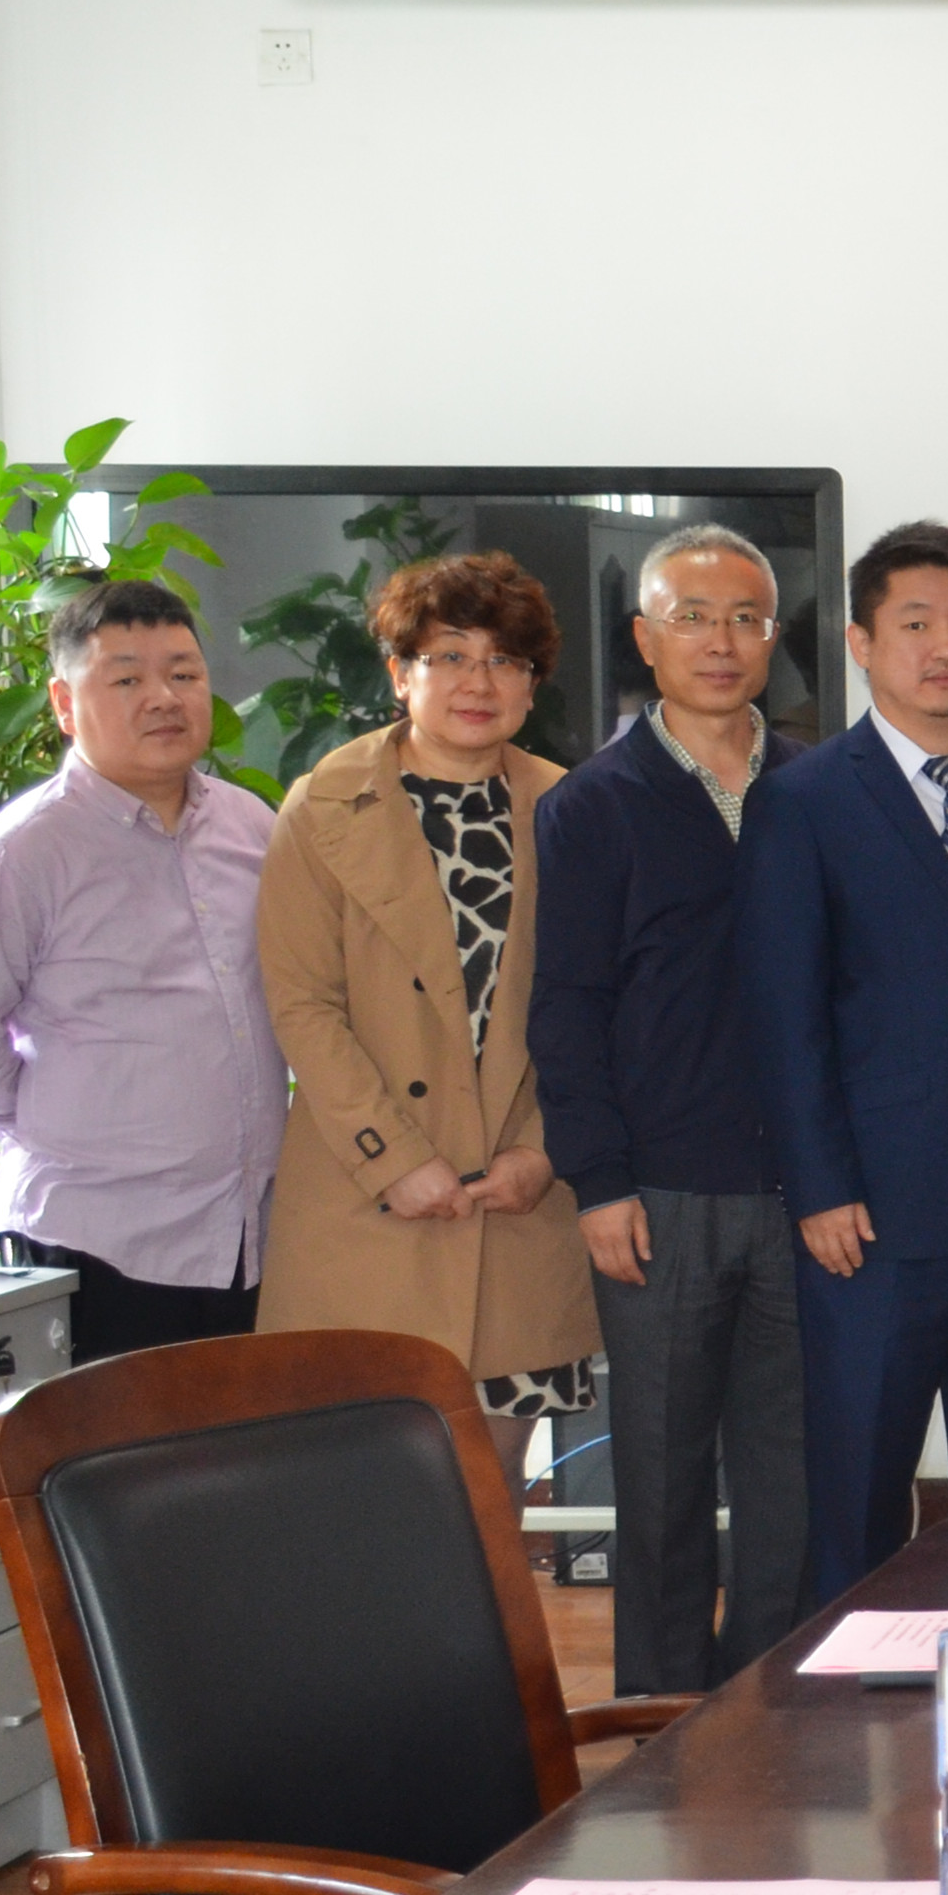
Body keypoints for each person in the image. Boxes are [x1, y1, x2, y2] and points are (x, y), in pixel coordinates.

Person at [742, 522, 948, 1604]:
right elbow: (785, 1013)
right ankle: (850, 1695)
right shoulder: (803, 800)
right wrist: (819, 1186)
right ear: (862, 642)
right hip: (873, 1221)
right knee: (859, 1496)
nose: (946, 647)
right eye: (918, 623)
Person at [252, 552, 602, 1490]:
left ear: (533, 683)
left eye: (505, 660)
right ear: (400, 672)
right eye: (449, 655)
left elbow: (602, 1007)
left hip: (517, 1207)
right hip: (369, 1205)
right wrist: (394, 1157)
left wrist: (545, 1150)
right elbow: (303, 1003)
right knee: (362, 1502)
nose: (478, 682)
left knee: (490, 1500)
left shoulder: (575, 806)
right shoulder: (323, 804)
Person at [532, 523, 810, 1694]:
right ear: (646, 639)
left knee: (794, 1479)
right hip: (657, 1196)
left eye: (746, 618)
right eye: (692, 617)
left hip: (804, 1193)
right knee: (658, 1478)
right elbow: (567, 1008)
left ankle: (774, 1708)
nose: (721, 641)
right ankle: (662, 1719)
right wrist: (598, 1183)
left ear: (773, 639)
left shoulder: (819, 786)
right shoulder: (595, 803)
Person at [0, 579, 284, 1359]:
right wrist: (66, 1122)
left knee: (242, 1441)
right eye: (126, 678)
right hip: (95, 1244)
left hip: (248, 1238)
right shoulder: (19, 855)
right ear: (63, 703)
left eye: (183, 673)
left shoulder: (252, 825)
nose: (163, 697)